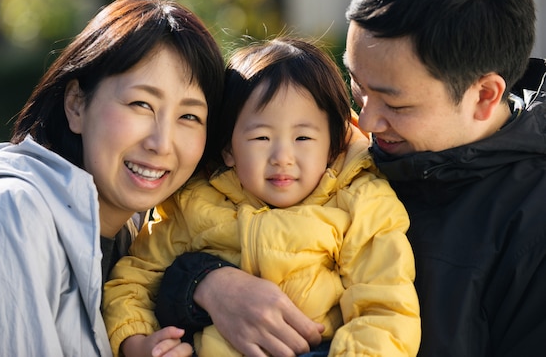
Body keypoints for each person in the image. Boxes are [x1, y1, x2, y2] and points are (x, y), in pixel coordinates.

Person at [155, 0, 546, 356]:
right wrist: (205, 283)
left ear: (484, 95)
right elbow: (182, 238)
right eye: (357, 87)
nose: (366, 122)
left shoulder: (531, 225)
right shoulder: (334, 153)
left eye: (396, 104)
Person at [0, 0, 224, 356]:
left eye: (189, 116)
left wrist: (209, 282)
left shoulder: (143, 241)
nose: (162, 143)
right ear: (76, 104)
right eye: (141, 104)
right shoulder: (7, 214)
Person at [102, 37, 420, 357]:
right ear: (228, 148)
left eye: (303, 137)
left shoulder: (360, 201)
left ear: (333, 145)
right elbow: (133, 281)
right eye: (262, 137)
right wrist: (136, 343)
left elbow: (384, 308)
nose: (282, 156)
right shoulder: (193, 203)